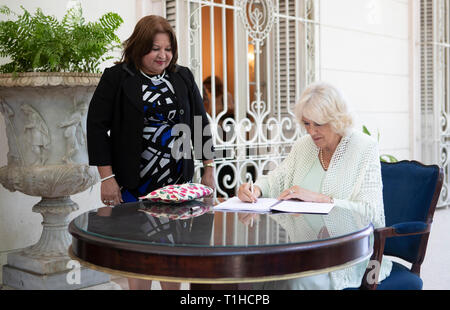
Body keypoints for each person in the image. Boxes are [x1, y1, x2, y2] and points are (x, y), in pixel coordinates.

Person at [87, 15, 215, 290]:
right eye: (155, 48)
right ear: (140, 46)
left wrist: (208, 168)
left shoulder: (182, 77)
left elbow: (199, 122)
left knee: (174, 253)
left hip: (177, 184)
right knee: (138, 253)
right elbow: (96, 127)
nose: (163, 55)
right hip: (135, 183)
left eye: (168, 49)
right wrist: (106, 178)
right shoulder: (118, 78)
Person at [237, 81, 392, 290]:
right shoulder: (304, 146)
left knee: (294, 281)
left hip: (348, 257)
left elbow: (371, 212)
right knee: (257, 273)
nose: (311, 131)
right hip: (304, 253)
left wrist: (320, 199)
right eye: (307, 124)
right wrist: (255, 188)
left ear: (337, 119)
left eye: (318, 124)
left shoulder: (364, 148)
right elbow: (277, 178)